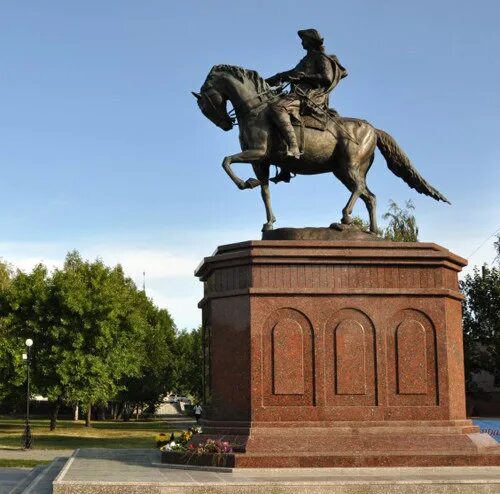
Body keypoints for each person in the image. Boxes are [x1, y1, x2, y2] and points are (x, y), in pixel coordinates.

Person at [266, 29, 348, 182]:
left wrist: (304, 76)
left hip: (309, 96)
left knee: (278, 108)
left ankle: (293, 147)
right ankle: (285, 166)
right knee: (270, 109)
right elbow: (291, 73)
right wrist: (268, 81)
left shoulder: (321, 58)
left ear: (311, 41)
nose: (302, 42)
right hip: (297, 94)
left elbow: (326, 77)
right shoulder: (306, 59)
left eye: (304, 39)